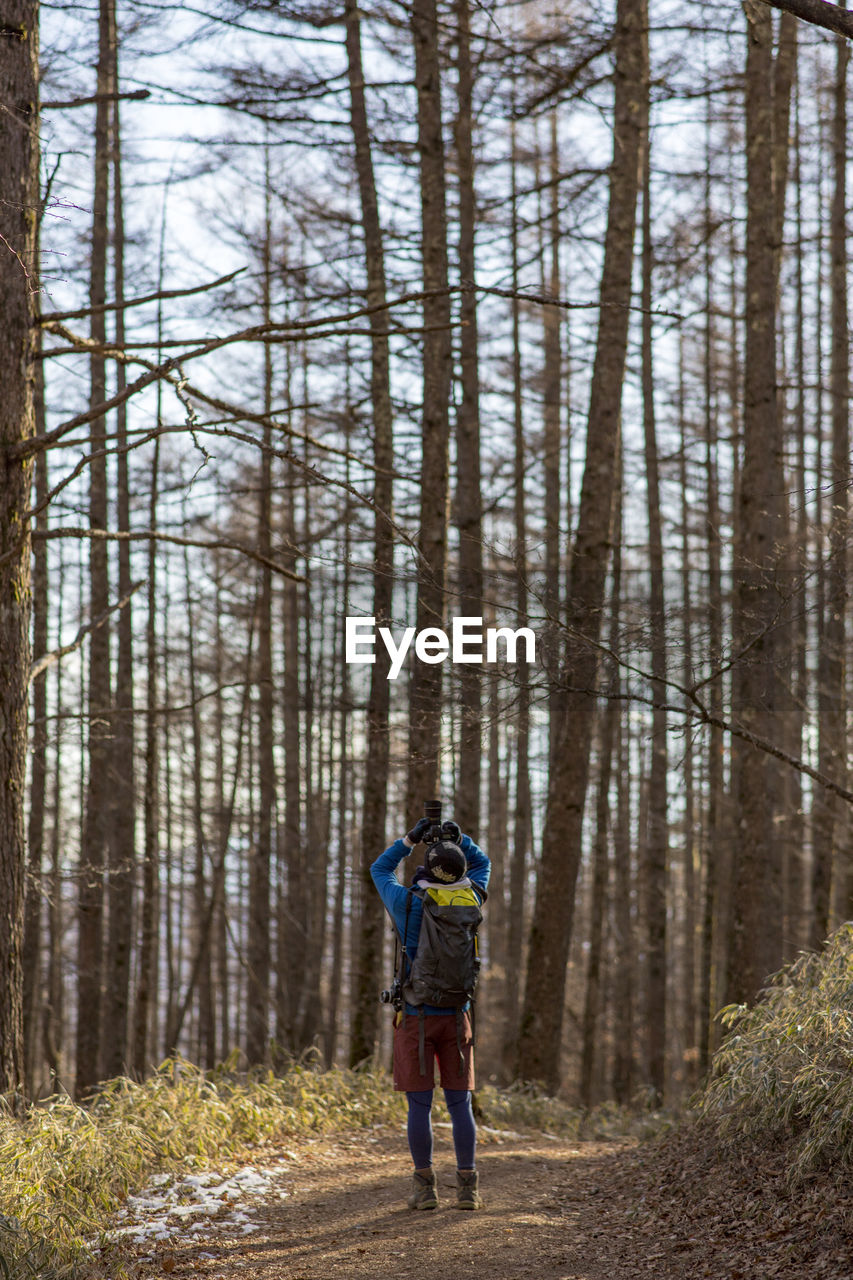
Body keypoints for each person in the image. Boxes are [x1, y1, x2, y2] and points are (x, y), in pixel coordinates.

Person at [371, 816, 490, 1211]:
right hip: (458, 1016)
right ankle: (468, 1188)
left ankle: (425, 1189)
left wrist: (409, 840)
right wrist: (461, 839)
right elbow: (482, 863)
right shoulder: (472, 896)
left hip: (417, 1017)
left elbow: (379, 869)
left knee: (419, 1107)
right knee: (460, 1105)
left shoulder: (408, 902)